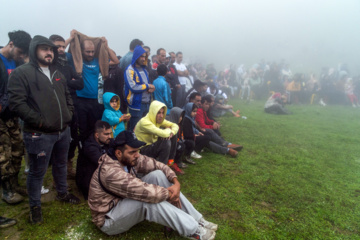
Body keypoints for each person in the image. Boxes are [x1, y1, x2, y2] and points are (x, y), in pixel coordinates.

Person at [88, 130, 217, 239]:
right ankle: (194, 230)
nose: (137, 155)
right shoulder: (111, 173)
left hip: (122, 202)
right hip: (108, 219)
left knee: (158, 174)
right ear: (118, 153)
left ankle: (197, 219)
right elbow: (146, 193)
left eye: (137, 151)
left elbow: (157, 165)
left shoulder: (128, 158)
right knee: (147, 200)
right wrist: (171, 194)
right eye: (133, 152)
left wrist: (175, 182)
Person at [8, 35, 80, 224]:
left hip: (63, 130)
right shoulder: (21, 73)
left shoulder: (57, 72)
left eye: (51, 50)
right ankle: (35, 207)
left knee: (61, 164)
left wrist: (69, 114)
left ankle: (62, 193)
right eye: (44, 49)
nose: (49, 52)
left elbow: (67, 96)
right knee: (37, 172)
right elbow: (17, 103)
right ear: (34, 50)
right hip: (38, 134)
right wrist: (39, 121)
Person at [66, 30, 120, 143]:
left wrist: (106, 46)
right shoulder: (77, 60)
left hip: (96, 101)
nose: (90, 54)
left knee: (95, 128)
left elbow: (115, 61)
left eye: (92, 51)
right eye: (87, 52)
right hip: (80, 100)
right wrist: (71, 38)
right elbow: (59, 53)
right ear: (81, 50)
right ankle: (83, 150)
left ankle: (93, 148)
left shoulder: (97, 61)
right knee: (83, 129)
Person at [0, 30, 31, 204]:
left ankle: (15, 184)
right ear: (11, 44)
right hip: (1, 115)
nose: (22, 56)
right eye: (20, 52)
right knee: (4, 154)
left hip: (13, 114)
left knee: (18, 149)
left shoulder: (17, 62)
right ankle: (7, 191)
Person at [49, 34, 84, 178]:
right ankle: (58, 175)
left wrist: (64, 81)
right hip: (56, 109)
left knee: (73, 138)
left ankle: (68, 168)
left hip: (73, 107)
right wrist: (70, 81)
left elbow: (80, 84)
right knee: (58, 142)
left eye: (63, 46)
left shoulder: (68, 66)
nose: (61, 49)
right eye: (58, 46)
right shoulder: (49, 67)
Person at [134, 100, 179, 166]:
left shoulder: (158, 119)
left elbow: (175, 125)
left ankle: (170, 161)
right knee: (166, 142)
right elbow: (164, 134)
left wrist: (172, 132)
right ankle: (162, 168)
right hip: (142, 150)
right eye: (158, 113)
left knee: (173, 135)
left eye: (163, 113)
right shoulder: (144, 122)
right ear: (153, 112)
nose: (161, 115)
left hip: (152, 145)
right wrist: (168, 130)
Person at [76, 120, 112, 200]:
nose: (109, 136)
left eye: (110, 133)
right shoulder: (90, 147)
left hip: (99, 177)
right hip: (89, 183)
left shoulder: (106, 141)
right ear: (97, 135)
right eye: (106, 134)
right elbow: (104, 164)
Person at [124, 45, 155, 130]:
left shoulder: (144, 70)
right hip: (136, 105)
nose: (143, 59)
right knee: (134, 130)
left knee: (144, 129)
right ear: (136, 56)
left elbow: (147, 84)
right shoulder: (130, 70)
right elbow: (133, 87)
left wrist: (151, 88)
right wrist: (148, 86)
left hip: (147, 103)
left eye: (144, 56)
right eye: (141, 56)